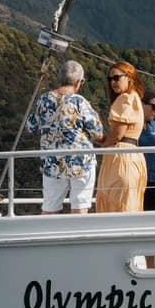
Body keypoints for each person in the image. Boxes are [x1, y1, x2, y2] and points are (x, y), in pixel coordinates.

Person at [26, 60, 104, 214]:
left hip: (52, 162)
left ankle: (45, 237)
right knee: (80, 207)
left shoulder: (45, 99)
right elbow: (98, 133)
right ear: (78, 82)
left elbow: (31, 127)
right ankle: (78, 237)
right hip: (80, 162)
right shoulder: (80, 102)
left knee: (49, 208)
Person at [95, 61, 147, 213]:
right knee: (129, 203)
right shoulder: (135, 98)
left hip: (120, 158)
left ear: (129, 77)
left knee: (115, 202)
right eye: (110, 79)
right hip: (134, 156)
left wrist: (103, 143)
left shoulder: (125, 99)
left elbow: (118, 134)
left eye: (117, 78)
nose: (113, 82)